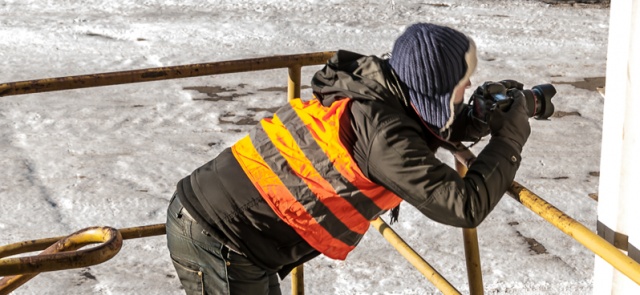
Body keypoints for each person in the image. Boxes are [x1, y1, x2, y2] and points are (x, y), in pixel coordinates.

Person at [165, 22, 531, 294]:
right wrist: (509, 137)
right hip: (220, 237)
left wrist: (472, 121)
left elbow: (414, 125)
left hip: (223, 224)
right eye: (462, 83)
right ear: (434, 88)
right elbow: (462, 206)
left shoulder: (375, 91)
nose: (467, 88)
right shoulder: (383, 134)